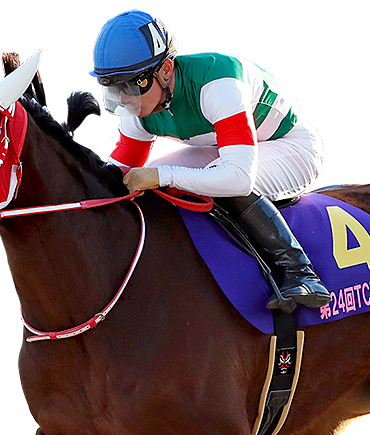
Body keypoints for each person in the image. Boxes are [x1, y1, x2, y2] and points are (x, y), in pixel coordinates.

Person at [89, 10, 330, 312]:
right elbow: (116, 177)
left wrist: (163, 177)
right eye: (114, 88)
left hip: (293, 148)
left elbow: (238, 178)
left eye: (130, 86)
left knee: (210, 177)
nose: (124, 99)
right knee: (150, 174)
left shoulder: (218, 83)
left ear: (166, 69)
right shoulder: (141, 108)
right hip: (228, 148)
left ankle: (300, 271)